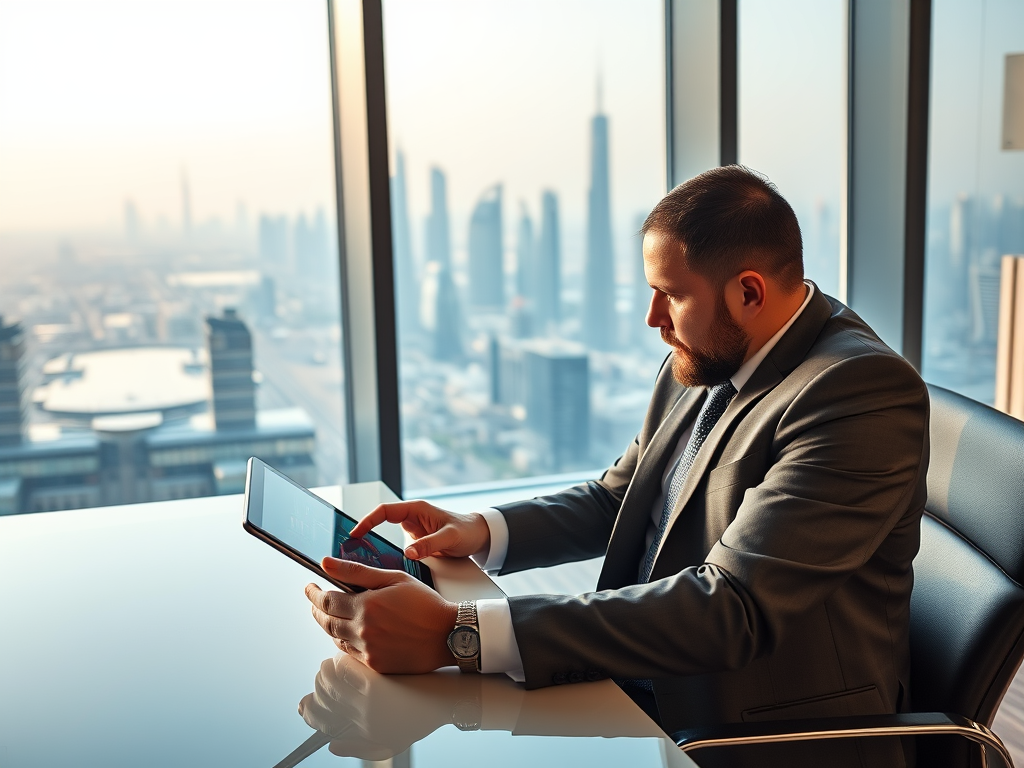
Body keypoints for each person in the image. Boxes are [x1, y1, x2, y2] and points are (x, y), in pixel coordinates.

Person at [304, 166, 929, 765]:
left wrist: (458, 632)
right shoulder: (711, 353)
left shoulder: (854, 392)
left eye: (671, 296)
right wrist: (478, 530)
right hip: (650, 680)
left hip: (756, 730)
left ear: (748, 291)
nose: (653, 320)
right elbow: (620, 497)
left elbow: (733, 607)